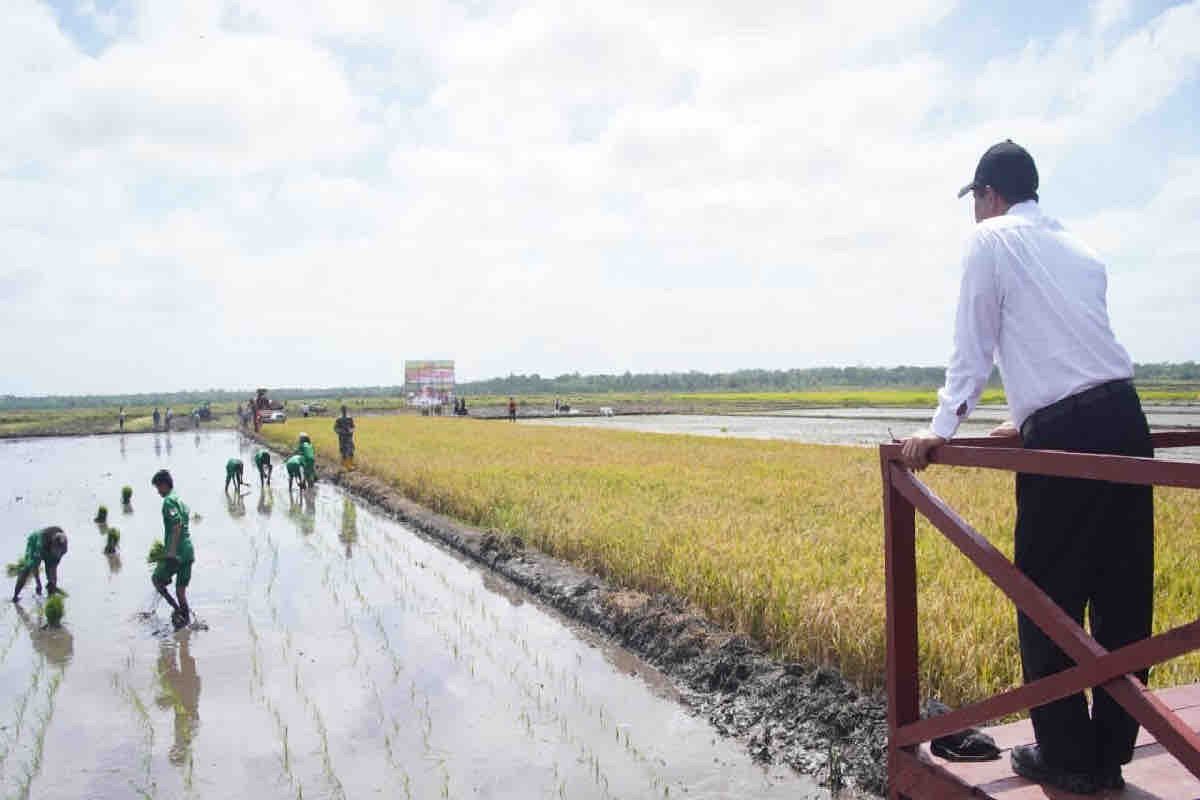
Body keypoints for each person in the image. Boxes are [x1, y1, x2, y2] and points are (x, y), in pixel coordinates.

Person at [900, 141, 1150, 795]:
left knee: (1046, 596)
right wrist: (1031, 416)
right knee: (1122, 596)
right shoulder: (1081, 249)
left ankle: (1069, 756)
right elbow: (1071, 349)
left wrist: (940, 430)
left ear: (988, 196)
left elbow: (974, 345)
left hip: (1066, 439)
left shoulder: (991, 243)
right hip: (1127, 421)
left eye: (976, 203)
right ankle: (1110, 753)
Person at [151, 469, 194, 629]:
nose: (158, 492)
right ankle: (186, 621)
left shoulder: (168, 501)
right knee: (180, 591)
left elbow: (176, 524)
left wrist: (171, 551)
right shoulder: (180, 500)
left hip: (177, 552)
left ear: (163, 485)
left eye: (158, 488)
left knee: (156, 580)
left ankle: (177, 610)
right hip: (188, 550)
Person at [11, 526, 68, 602]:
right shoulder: (41, 543)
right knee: (27, 569)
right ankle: (15, 596)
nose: (57, 553)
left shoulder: (63, 549)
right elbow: (34, 565)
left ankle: (50, 599)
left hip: (48, 551)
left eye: (59, 552)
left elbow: (53, 568)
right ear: (52, 544)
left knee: (52, 580)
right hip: (34, 544)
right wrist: (38, 583)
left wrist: (52, 582)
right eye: (56, 550)